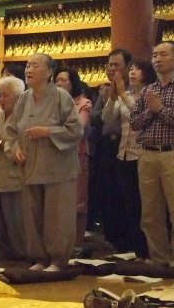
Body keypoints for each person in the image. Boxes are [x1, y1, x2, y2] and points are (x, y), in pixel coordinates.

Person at [4, 53, 83, 271]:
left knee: (57, 216)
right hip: (31, 166)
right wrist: (16, 149)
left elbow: (76, 130)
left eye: (35, 66)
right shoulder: (24, 99)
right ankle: (40, 258)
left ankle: (58, 259)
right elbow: (11, 131)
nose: (29, 69)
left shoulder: (61, 97)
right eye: (28, 65)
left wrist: (47, 131)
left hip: (57, 168)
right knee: (33, 215)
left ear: (49, 72)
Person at [130, 41, 174, 268]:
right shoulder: (148, 90)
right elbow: (134, 123)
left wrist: (159, 109)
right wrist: (152, 110)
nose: (157, 59)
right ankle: (158, 259)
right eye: (154, 55)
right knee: (150, 214)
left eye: (163, 54)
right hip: (147, 155)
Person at [102, 59, 154, 258]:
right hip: (123, 153)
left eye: (137, 69)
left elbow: (139, 115)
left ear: (147, 72)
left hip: (143, 153)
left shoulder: (150, 94)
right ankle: (137, 249)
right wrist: (113, 97)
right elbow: (107, 119)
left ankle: (150, 249)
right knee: (130, 203)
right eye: (131, 69)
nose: (132, 72)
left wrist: (122, 94)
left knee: (146, 204)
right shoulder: (127, 94)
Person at [90, 48, 132, 251]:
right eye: (109, 64)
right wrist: (108, 101)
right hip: (105, 146)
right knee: (107, 193)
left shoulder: (133, 90)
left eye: (116, 65)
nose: (111, 69)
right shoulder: (105, 90)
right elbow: (94, 118)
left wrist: (114, 100)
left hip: (126, 145)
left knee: (124, 194)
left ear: (128, 67)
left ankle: (127, 242)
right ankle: (112, 240)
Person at [0, 75, 27, 260]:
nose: (1, 99)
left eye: (5, 95)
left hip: (15, 181)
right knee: (2, 230)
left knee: (17, 229)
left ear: (18, 97)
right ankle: (6, 264)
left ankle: (23, 264)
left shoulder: (23, 119)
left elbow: (22, 153)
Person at [53, 66, 91, 248]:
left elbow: (79, 128)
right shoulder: (51, 103)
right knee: (57, 200)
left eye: (63, 80)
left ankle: (76, 244)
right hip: (55, 155)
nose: (59, 83)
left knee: (78, 200)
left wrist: (53, 130)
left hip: (77, 154)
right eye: (57, 80)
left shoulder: (83, 103)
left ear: (73, 83)